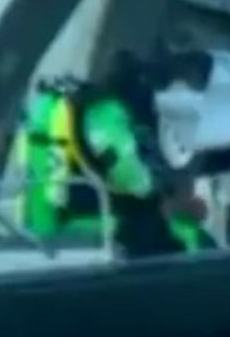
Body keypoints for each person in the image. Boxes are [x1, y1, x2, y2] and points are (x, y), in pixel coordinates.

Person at [15, 52, 214, 257]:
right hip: (80, 224)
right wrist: (163, 191)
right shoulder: (104, 112)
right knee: (176, 240)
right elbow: (130, 177)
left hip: (79, 218)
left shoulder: (99, 106)